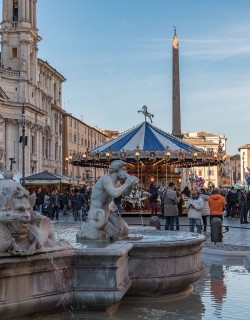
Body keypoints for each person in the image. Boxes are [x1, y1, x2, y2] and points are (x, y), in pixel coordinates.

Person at [77, 160, 138, 239]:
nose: (126, 171)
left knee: (125, 230)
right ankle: (89, 228)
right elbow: (114, 193)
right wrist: (127, 184)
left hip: (107, 212)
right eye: (123, 169)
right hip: (97, 213)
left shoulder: (117, 182)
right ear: (116, 169)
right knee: (116, 232)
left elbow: (124, 194)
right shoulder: (106, 179)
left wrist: (130, 186)